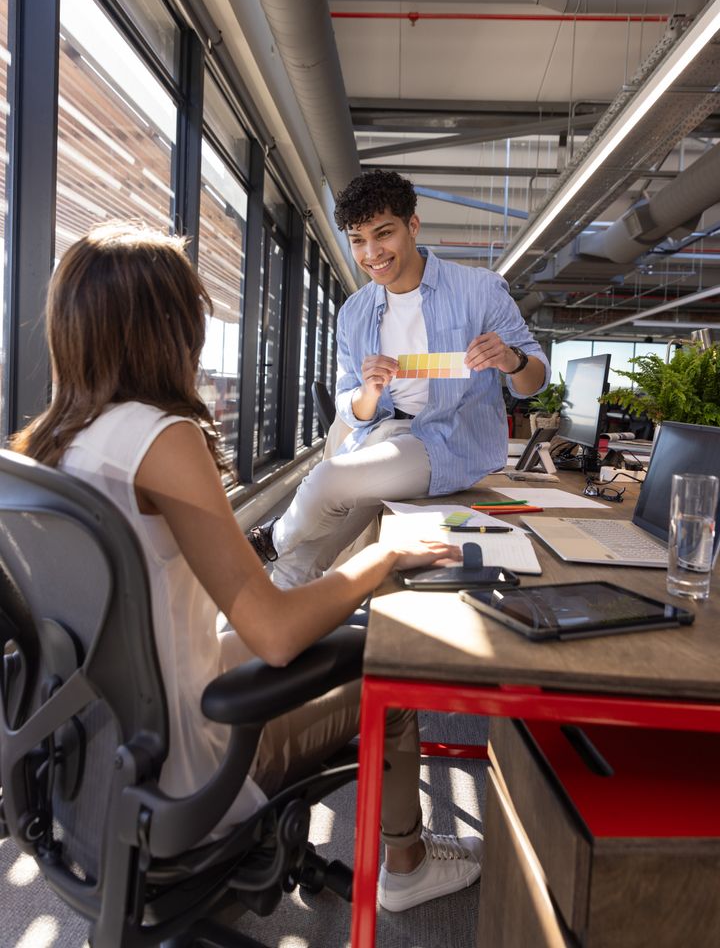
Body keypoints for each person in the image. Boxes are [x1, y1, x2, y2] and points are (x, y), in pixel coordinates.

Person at [10, 222, 483, 914]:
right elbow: (276, 634)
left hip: (87, 752)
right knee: (387, 670)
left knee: (314, 629)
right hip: (182, 762)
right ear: (170, 328)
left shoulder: (44, 447)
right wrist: (382, 557)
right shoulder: (162, 437)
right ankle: (408, 866)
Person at [250, 169, 549, 589]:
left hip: (445, 441)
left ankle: (267, 541)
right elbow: (350, 407)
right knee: (301, 562)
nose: (372, 253)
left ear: (412, 226)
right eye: (358, 240)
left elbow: (535, 381)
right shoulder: (355, 312)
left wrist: (511, 360)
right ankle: (269, 624)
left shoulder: (479, 290)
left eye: (384, 234)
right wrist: (369, 392)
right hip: (379, 438)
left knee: (327, 481)